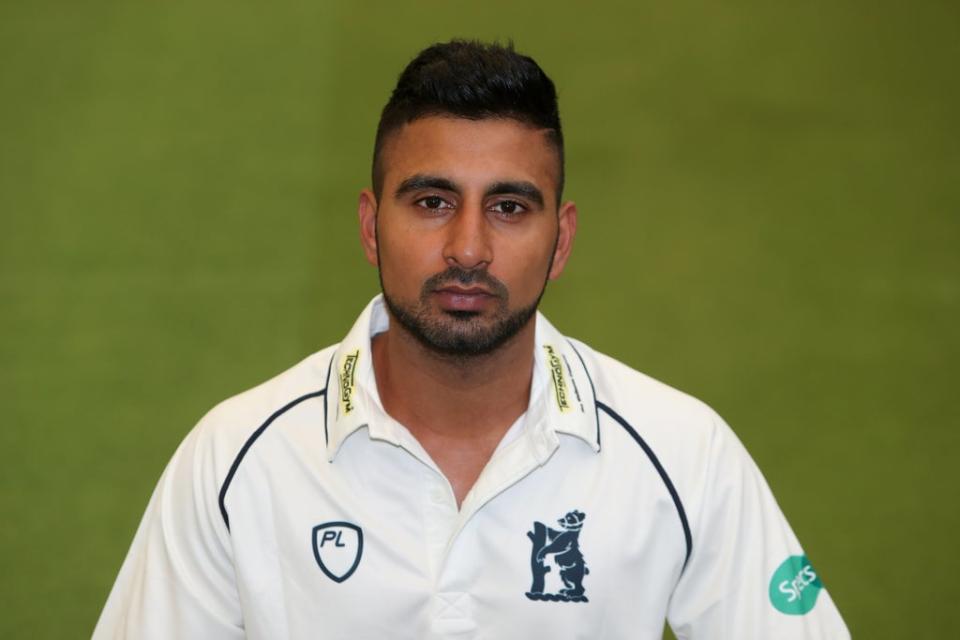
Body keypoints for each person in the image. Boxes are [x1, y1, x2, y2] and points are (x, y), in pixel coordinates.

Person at [93, 40, 850, 639]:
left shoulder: (685, 454)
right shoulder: (234, 462)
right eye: (431, 201)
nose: (467, 248)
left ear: (562, 240)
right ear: (368, 226)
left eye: (511, 208)